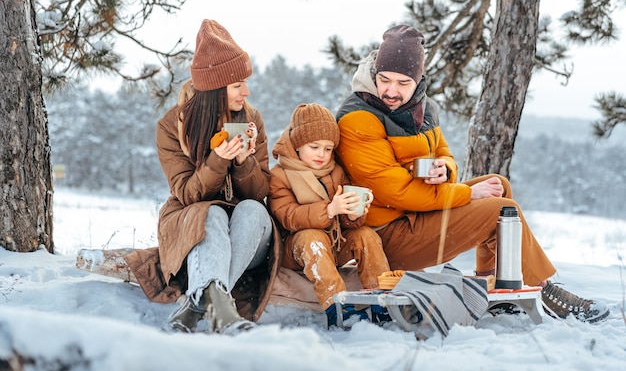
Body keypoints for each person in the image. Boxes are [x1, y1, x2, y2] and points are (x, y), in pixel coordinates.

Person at [334, 24, 609, 323]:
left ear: (417, 80)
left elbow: (444, 154)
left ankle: (495, 285)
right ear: (374, 72)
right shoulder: (358, 117)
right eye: (384, 80)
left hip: (413, 216)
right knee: (501, 210)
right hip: (386, 234)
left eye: (402, 83)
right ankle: (545, 290)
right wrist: (466, 192)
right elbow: (394, 191)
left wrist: (445, 170)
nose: (391, 91)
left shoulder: (422, 110)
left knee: (498, 185)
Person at [125, 19, 280, 335]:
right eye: (238, 85)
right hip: (192, 228)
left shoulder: (251, 119)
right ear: (215, 89)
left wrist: (242, 161)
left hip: (248, 233)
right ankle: (222, 310)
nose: (246, 92)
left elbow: (260, 191)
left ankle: (199, 301)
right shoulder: (172, 127)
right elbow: (186, 194)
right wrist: (216, 162)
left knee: (252, 210)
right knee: (209, 212)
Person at [269, 103, 391, 327]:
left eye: (327, 149)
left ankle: (381, 298)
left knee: (365, 235)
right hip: (296, 247)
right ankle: (338, 305)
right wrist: (328, 210)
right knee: (312, 238)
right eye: (314, 147)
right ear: (297, 144)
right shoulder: (280, 175)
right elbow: (288, 215)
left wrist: (353, 214)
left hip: (335, 242)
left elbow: (346, 220)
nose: (321, 155)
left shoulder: (335, 171)